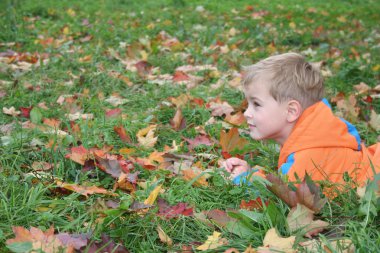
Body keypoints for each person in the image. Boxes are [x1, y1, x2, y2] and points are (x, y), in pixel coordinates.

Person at [222, 52, 380, 185]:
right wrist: (251, 172)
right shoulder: (315, 136)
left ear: (291, 111)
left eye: (256, 104)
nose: (247, 113)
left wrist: (242, 179)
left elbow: (279, 192)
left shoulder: (309, 156)